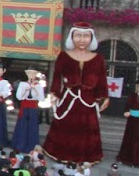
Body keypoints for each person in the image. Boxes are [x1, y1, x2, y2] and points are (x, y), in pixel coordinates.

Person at [43, 25, 108, 165]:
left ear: (91, 38)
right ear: (72, 37)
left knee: (86, 130)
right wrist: (54, 93)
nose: (82, 39)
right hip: (68, 98)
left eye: (86, 36)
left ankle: (87, 157)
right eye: (78, 35)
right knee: (65, 128)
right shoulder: (63, 56)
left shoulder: (98, 59)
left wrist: (104, 97)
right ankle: (60, 153)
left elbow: (102, 79)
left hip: (88, 100)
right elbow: (56, 77)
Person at [114, 74, 139, 168]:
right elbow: (127, 107)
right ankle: (127, 159)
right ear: (137, 87)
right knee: (129, 138)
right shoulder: (132, 96)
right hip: (132, 121)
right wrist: (126, 112)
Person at [11, 68, 46, 153]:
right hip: (25, 106)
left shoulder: (39, 85)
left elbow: (41, 98)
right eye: (29, 73)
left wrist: (35, 89)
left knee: (32, 125)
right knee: (22, 125)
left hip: (33, 107)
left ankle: (31, 145)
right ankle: (19, 144)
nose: (31, 75)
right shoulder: (23, 84)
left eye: (33, 73)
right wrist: (27, 89)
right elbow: (19, 96)